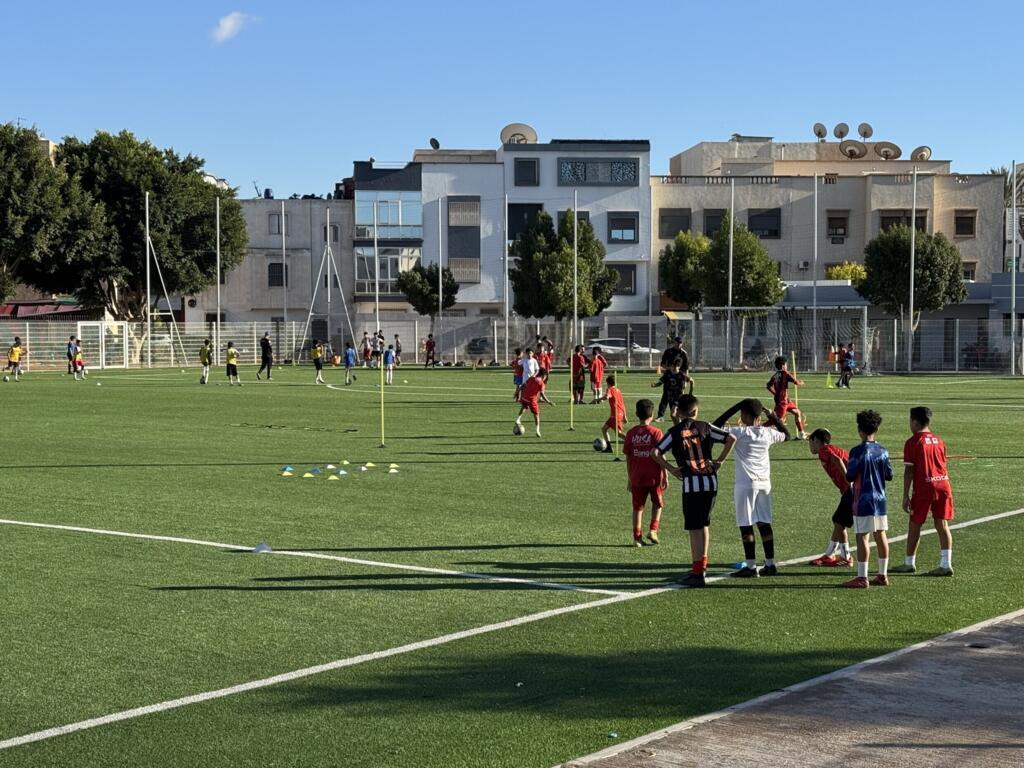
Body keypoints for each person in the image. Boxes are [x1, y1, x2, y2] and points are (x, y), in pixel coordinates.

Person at [652, 394, 736, 588]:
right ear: (696, 411)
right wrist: (720, 461)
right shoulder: (705, 426)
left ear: (678, 412)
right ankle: (701, 566)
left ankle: (697, 573)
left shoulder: (674, 431)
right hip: (710, 481)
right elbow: (731, 438)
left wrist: (671, 468)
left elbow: (655, 452)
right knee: (704, 524)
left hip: (692, 483)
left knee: (694, 528)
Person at [710, 398, 789, 577]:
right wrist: (773, 416)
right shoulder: (768, 433)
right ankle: (770, 564)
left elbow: (715, 426)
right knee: (764, 523)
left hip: (746, 484)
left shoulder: (738, 432)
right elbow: (787, 435)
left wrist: (736, 405)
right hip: (764, 483)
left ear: (744, 415)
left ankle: (751, 567)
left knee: (746, 524)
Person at [892, 407, 955, 576]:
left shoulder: (913, 442)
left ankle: (909, 562)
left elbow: (909, 472)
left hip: (925, 487)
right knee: (942, 525)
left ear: (915, 422)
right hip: (943, 484)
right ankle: (946, 563)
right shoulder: (938, 440)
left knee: (915, 524)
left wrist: (905, 495)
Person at [842, 409, 893, 589]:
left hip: (862, 499)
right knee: (881, 535)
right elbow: (889, 475)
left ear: (860, 430)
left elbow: (849, 475)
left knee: (862, 537)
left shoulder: (857, 451)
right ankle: (882, 574)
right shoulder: (883, 450)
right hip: (880, 499)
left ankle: (862, 577)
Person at [807, 428, 854, 567]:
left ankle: (846, 557)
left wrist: (848, 480)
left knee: (839, 522)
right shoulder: (834, 448)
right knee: (838, 521)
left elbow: (837, 460)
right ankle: (829, 554)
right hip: (853, 489)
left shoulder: (824, 450)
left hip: (851, 489)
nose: (810, 446)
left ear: (815, 440)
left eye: (810, 442)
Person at [625, 399, 667, 546]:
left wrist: (630, 478)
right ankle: (653, 530)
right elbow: (661, 455)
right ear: (652, 414)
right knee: (658, 504)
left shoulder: (630, 433)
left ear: (636, 414)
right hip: (654, 477)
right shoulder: (656, 432)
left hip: (636, 476)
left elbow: (628, 458)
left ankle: (637, 538)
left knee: (637, 508)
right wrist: (666, 475)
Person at [766, 355, 808, 440]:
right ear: (783, 366)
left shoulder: (775, 375)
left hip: (786, 400)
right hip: (782, 402)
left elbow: (768, 386)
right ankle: (759, 428)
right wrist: (801, 382)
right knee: (777, 421)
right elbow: (796, 382)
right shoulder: (786, 373)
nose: (787, 365)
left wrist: (776, 393)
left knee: (797, 413)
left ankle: (801, 433)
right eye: (786, 364)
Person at [515, 369, 554, 437]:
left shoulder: (531, 378)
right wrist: (549, 402)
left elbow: (523, 385)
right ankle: (537, 431)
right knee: (536, 415)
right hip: (532, 400)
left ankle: (518, 419)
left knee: (524, 407)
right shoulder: (541, 383)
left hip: (525, 397)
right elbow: (542, 394)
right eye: (545, 376)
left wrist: (517, 392)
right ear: (543, 375)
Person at [599, 373, 628, 452]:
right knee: (604, 429)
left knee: (618, 433)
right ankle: (609, 448)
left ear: (608, 383)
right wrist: (625, 416)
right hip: (616, 414)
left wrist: (598, 399)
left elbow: (607, 396)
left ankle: (632, 442)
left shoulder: (610, 389)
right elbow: (622, 404)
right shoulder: (618, 390)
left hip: (616, 415)